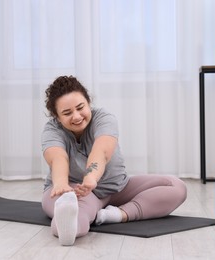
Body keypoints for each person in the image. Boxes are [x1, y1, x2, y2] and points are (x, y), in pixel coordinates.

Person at [41, 75, 187, 246]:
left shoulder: (104, 118)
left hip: (118, 187)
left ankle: (117, 215)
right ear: (57, 117)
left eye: (80, 107)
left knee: (176, 187)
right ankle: (69, 222)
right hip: (78, 191)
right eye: (67, 113)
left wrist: (91, 178)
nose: (77, 116)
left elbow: (102, 151)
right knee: (74, 213)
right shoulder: (52, 130)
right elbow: (58, 158)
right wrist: (60, 184)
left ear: (89, 102)